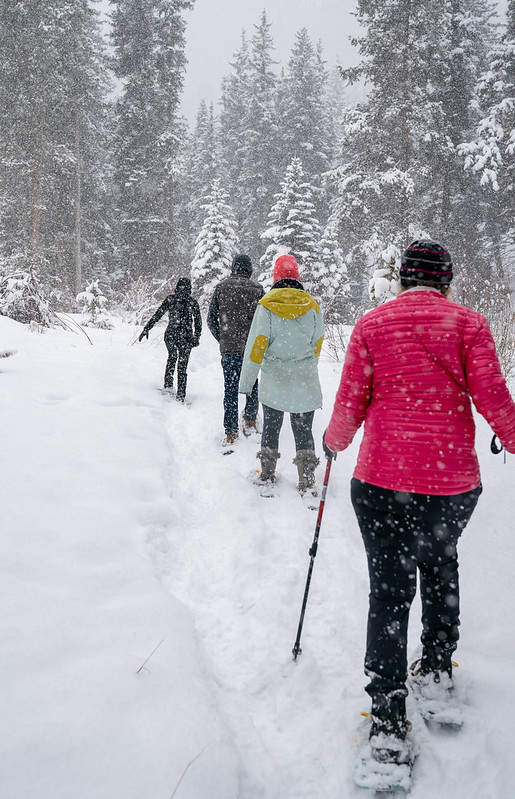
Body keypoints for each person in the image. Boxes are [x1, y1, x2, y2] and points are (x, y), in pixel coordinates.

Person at [323, 240, 515, 762]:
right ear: (446, 279)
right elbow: (495, 397)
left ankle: (387, 719)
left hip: (382, 480)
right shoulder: (468, 325)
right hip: (450, 484)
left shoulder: (372, 325)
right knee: (439, 563)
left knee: (388, 592)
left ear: (405, 278)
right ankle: (435, 670)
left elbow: (350, 403)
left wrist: (333, 442)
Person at [239, 254, 325, 494]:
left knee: (271, 428)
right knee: (303, 429)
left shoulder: (266, 306)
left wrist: (246, 382)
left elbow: (256, 346)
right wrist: (306, 365)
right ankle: (307, 480)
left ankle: (267, 474)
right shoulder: (312, 305)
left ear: (276, 277)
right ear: (297, 276)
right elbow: (317, 342)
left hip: (275, 379)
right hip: (304, 380)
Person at [207, 254, 264, 446]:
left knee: (230, 389)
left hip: (229, 348)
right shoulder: (257, 289)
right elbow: (264, 320)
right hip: (250, 349)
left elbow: (210, 320)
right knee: (252, 384)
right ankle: (249, 419)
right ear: (249, 269)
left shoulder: (221, 288)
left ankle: (231, 431)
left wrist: (223, 338)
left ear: (233, 267)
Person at [138, 277, 201, 403]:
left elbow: (157, 315)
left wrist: (147, 328)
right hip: (186, 337)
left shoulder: (171, 299)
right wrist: (196, 337)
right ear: (190, 288)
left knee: (172, 357)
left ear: (177, 287)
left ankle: (168, 387)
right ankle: (181, 395)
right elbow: (198, 322)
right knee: (182, 365)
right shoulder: (192, 302)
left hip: (171, 334)